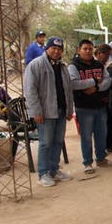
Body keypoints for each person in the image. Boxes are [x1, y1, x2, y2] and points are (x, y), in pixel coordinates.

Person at [24, 36, 74, 187]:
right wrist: (36, 112)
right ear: (47, 48)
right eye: (54, 48)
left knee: (58, 141)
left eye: (59, 49)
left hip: (60, 109)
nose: (56, 52)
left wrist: (69, 109)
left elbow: (68, 90)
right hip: (45, 112)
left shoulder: (63, 67)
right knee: (45, 143)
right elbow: (30, 91)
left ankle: (54, 170)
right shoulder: (36, 65)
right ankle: (43, 173)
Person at [69, 39, 112, 173]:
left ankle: (101, 158)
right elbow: (74, 83)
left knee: (101, 134)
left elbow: (108, 81)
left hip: (100, 105)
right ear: (79, 50)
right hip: (84, 107)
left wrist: (95, 88)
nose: (88, 51)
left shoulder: (98, 65)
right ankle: (87, 163)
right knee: (86, 136)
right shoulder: (73, 66)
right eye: (85, 49)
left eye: (90, 49)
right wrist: (94, 80)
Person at [95, 43, 112, 151]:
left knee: (109, 123)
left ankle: (111, 145)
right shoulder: (95, 65)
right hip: (96, 100)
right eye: (106, 55)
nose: (107, 58)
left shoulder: (106, 66)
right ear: (99, 54)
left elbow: (108, 81)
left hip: (107, 98)